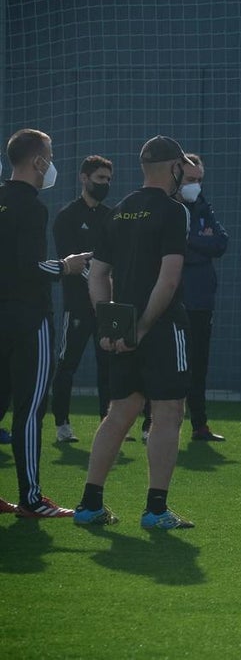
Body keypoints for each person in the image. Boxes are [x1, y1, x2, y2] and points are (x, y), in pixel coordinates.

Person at [73, 135, 197, 529]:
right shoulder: (173, 211)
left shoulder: (119, 210)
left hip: (122, 329)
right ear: (174, 168)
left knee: (120, 412)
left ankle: (90, 505)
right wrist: (143, 327)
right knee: (168, 413)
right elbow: (169, 277)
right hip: (161, 328)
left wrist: (111, 325)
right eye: (183, 168)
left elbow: (97, 275)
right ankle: (156, 510)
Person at [0, 128, 91, 517]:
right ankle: (32, 498)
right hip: (29, 317)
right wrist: (66, 266)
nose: (52, 163)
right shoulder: (33, 206)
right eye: (49, 155)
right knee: (31, 408)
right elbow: (29, 266)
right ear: (37, 161)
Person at [50, 155, 114, 443]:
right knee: (67, 364)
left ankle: (108, 423)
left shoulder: (111, 217)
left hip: (106, 309)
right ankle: (62, 424)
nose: (105, 184)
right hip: (76, 306)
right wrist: (98, 279)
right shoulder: (67, 216)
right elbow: (71, 263)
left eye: (109, 179)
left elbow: (115, 259)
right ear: (84, 178)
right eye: (101, 178)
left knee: (109, 367)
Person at [177, 154, 229, 442]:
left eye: (199, 180)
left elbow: (220, 242)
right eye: (190, 179)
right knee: (169, 366)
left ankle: (199, 425)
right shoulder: (169, 208)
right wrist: (200, 242)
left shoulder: (204, 207)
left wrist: (191, 240)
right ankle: (151, 425)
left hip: (202, 301)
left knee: (199, 366)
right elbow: (174, 248)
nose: (195, 185)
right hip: (174, 300)